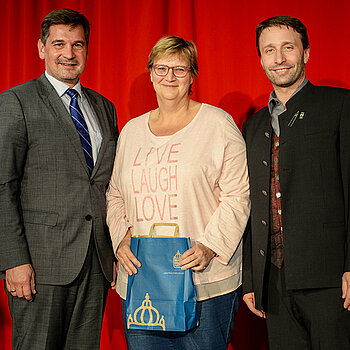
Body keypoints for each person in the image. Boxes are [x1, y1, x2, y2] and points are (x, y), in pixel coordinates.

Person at [106, 35, 250, 349]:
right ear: (150, 73)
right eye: (161, 68)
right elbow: (114, 194)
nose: (170, 77)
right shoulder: (131, 131)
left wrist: (210, 246)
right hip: (143, 281)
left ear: (192, 75)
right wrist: (121, 237)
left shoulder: (218, 125)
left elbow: (238, 195)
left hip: (205, 284)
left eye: (180, 69)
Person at [0, 8, 118, 349]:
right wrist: (14, 261)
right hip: (39, 266)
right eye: (59, 44)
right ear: (41, 48)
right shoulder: (15, 102)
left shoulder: (103, 107)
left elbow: (105, 183)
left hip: (95, 264)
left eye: (78, 45)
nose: (69, 53)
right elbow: (3, 186)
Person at [242, 15, 350, 349]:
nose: (279, 58)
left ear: (305, 53)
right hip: (273, 281)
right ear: (260, 59)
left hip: (330, 278)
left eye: (288, 47)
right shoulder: (253, 124)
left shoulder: (340, 105)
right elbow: (250, 204)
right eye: (269, 50)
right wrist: (251, 278)